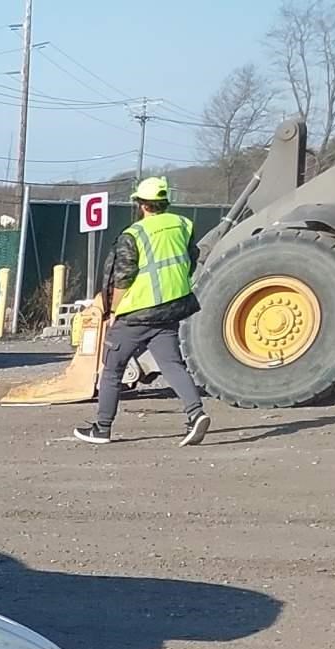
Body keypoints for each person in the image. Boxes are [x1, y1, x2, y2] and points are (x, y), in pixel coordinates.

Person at [75, 177, 210, 447]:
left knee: (112, 368)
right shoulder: (183, 225)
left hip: (136, 312)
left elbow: (122, 279)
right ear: (164, 202)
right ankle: (196, 413)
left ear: (141, 204)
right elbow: (190, 259)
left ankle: (102, 428)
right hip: (170, 308)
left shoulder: (134, 234)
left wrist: (112, 311)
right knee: (172, 364)